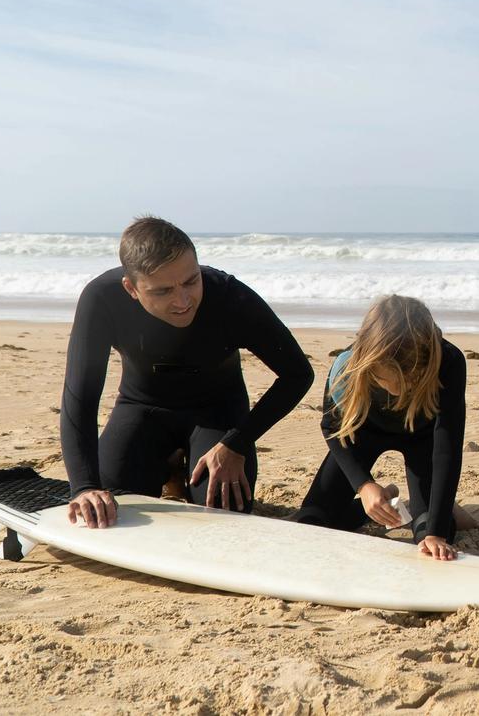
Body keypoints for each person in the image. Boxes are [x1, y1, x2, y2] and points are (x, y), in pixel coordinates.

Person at [61, 217, 314, 527]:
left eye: (191, 281)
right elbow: (80, 396)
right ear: (131, 288)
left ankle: (184, 468)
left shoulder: (229, 298)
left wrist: (237, 442)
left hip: (217, 412)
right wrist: (84, 487)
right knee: (116, 501)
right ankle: (169, 469)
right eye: (163, 291)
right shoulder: (102, 300)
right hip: (142, 407)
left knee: (225, 511)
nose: (183, 301)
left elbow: (298, 374)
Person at [295, 295, 466, 562]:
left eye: (409, 380)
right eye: (385, 379)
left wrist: (436, 531)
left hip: (423, 439)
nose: (398, 391)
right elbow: (331, 426)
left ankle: (444, 510)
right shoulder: (348, 365)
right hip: (364, 435)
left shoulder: (448, 362)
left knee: (426, 535)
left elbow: (448, 447)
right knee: (310, 520)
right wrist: (364, 487)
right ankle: (380, 503)